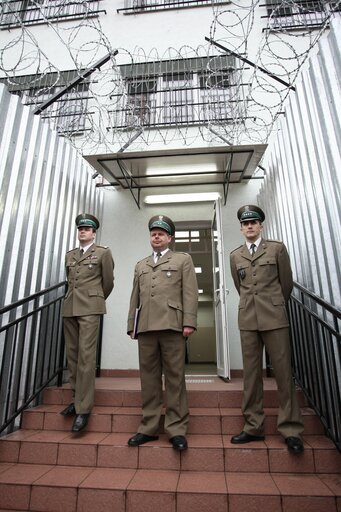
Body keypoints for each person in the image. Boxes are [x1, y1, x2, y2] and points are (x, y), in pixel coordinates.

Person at [229, 205, 304, 454]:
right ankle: (253, 427)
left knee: (283, 373)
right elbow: (240, 287)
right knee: (251, 376)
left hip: (274, 318)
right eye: (245, 223)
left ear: (261, 226)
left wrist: (273, 304)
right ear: (241, 228)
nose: (249, 226)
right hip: (248, 319)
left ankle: (291, 429)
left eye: (254, 223)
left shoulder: (277, 249)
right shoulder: (235, 255)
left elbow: (286, 284)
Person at [127, 215, 198, 451]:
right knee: (148, 379)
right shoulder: (141, 265)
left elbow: (190, 292)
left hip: (172, 325)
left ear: (170, 237)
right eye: (153, 233)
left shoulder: (182, 260)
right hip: (146, 327)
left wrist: (189, 322)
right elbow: (134, 297)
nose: (156, 236)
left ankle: (176, 429)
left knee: (175, 378)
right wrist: (132, 325)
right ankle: (148, 427)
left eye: (161, 233)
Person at [60, 213, 114, 432]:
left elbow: (108, 282)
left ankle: (84, 408)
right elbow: (69, 280)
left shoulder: (103, 253)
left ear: (94, 233)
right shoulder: (70, 255)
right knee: (72, 356)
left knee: (86, 356)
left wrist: (96, 300)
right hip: (70, 308)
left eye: (86, 229)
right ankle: (75, 399)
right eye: (80, 229)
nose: (82, 231)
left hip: (90, 308)